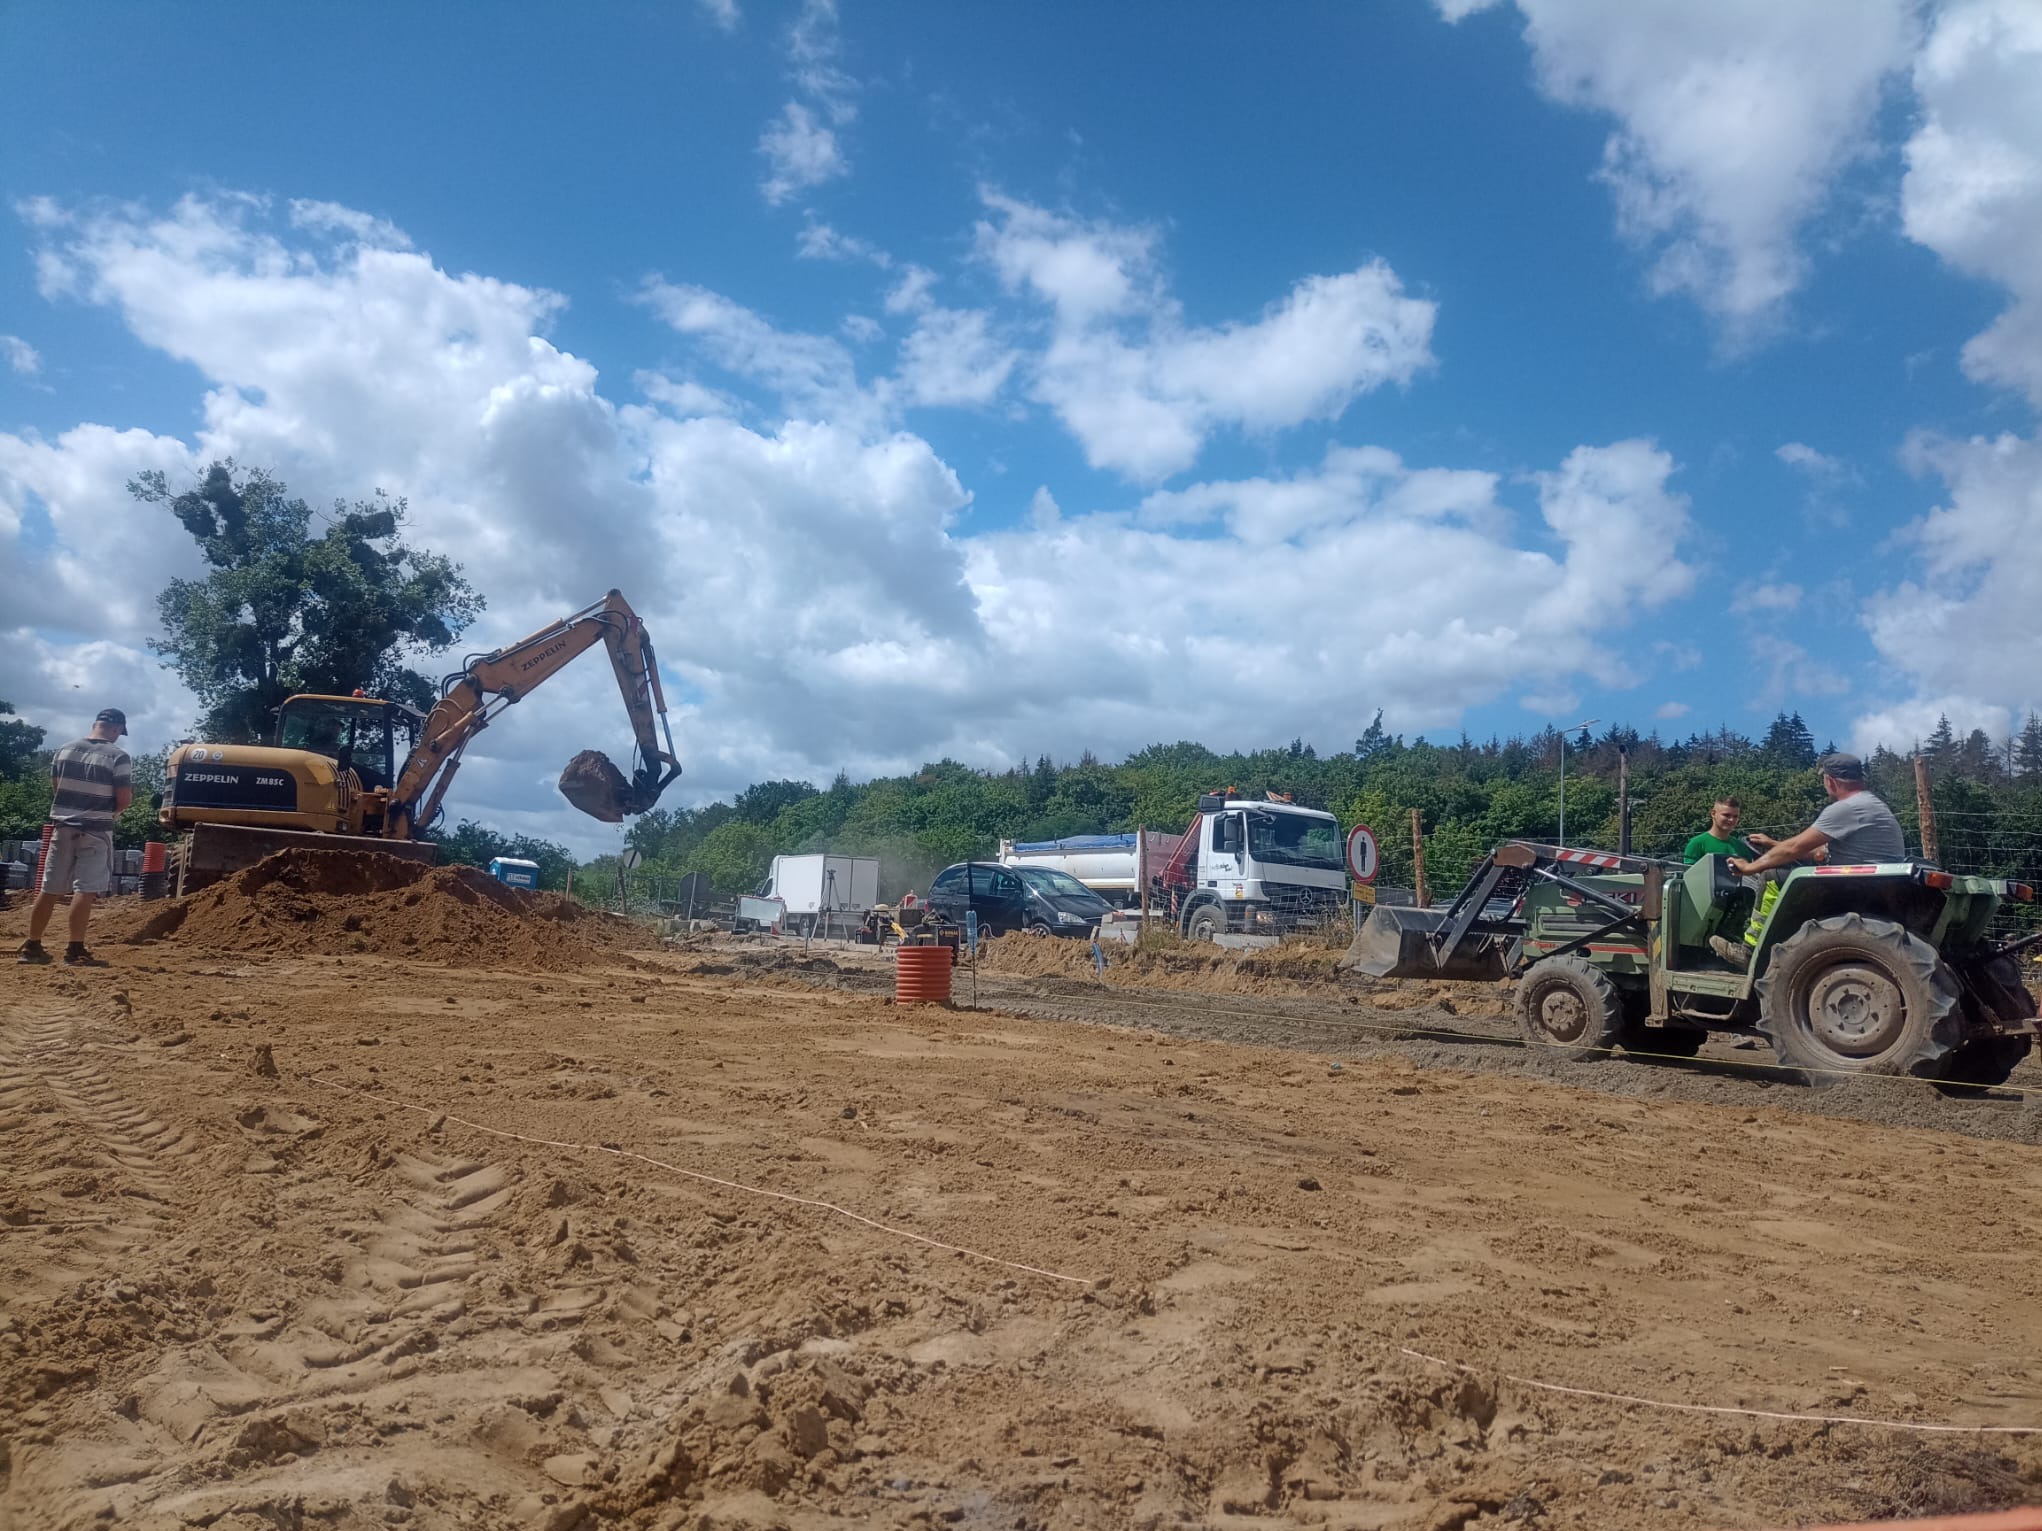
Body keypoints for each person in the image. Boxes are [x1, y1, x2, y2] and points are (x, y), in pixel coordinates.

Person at [1709, 753, 1906, 968]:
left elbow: (1795, 847)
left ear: (1830, 780)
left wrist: (1748, 867)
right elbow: (1819, 852)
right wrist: (1773, 844)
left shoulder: (1846, 808)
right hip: (1874, 886)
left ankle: (1751, 950)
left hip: (1853, 889)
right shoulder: (1874, 805)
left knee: (1771, 876)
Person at [18, 708, 133, 967]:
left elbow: (57, 788)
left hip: (63, 827)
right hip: (96, 830)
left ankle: (32, 947)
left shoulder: (65, 749)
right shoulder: (118, 756)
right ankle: (75, 951)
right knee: (86, 889)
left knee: (49, 889)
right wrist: (110, 814)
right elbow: (124, 799)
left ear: (96, 724)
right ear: (116, 729)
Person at [1683, 796, 1754, 864]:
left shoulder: (1741, 847)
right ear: (1713, 814)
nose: (1731, 820)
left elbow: (1750, 875)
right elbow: (1690, 874)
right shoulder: (1697, 844)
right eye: (1726, 815)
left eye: (1735, 816)